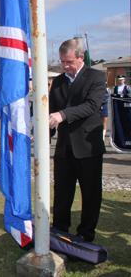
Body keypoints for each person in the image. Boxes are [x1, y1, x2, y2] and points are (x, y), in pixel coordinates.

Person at [49, 39, 106, 242]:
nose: (65, 66)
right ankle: (59, 229)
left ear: (81, 57)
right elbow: (50, 113)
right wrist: (41, 135)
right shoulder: (58, 81)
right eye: (62, 62)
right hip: (64, 149)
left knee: (90, 194)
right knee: (62, 192)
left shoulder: (96, 77)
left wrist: (63, 115)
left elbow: (91, 106)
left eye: (69, 62)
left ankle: (86, 233)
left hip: (88, 148)